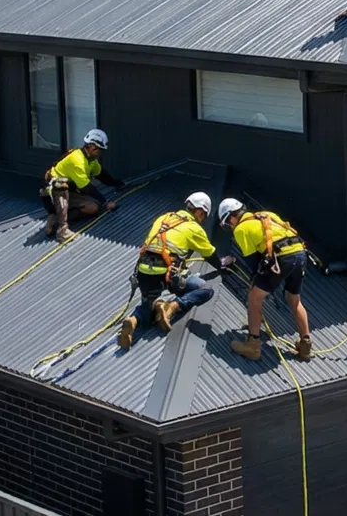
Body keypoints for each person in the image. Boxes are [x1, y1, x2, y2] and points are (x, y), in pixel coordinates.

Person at [119, 192, 219, 348]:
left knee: (148, 312)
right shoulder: (193, 228)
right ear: (200, 211)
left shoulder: (163, 218)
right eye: (203, 216)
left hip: (143, 273)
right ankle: (172, 306)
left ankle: (134, 319)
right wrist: (224, 265)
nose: (202, 219)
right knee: (205, 289)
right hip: (168, 275)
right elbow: (211, 255)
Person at [218, 198, 311, 361]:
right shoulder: (266, 214)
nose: (230, 227)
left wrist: (256, 283)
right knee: (293, 299)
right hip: (300, 254)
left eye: (228, 223)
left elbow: (252, 263)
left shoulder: (241, 229)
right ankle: (305, 345)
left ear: (232, 216)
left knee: (254, 297)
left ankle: (252, 346)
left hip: (281, 259)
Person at [42, 128, 122, 243]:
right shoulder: (77, 160)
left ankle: (57, 217)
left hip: (69, 192)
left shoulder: (91, 159)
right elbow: (86, 187)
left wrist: (116, 183)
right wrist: (106, 202)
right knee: (61, 186)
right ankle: (61, 229)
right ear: (91, 146)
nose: (99, 152)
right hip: (52, 193)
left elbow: (100, 174)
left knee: (93, 208)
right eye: (98, 149)